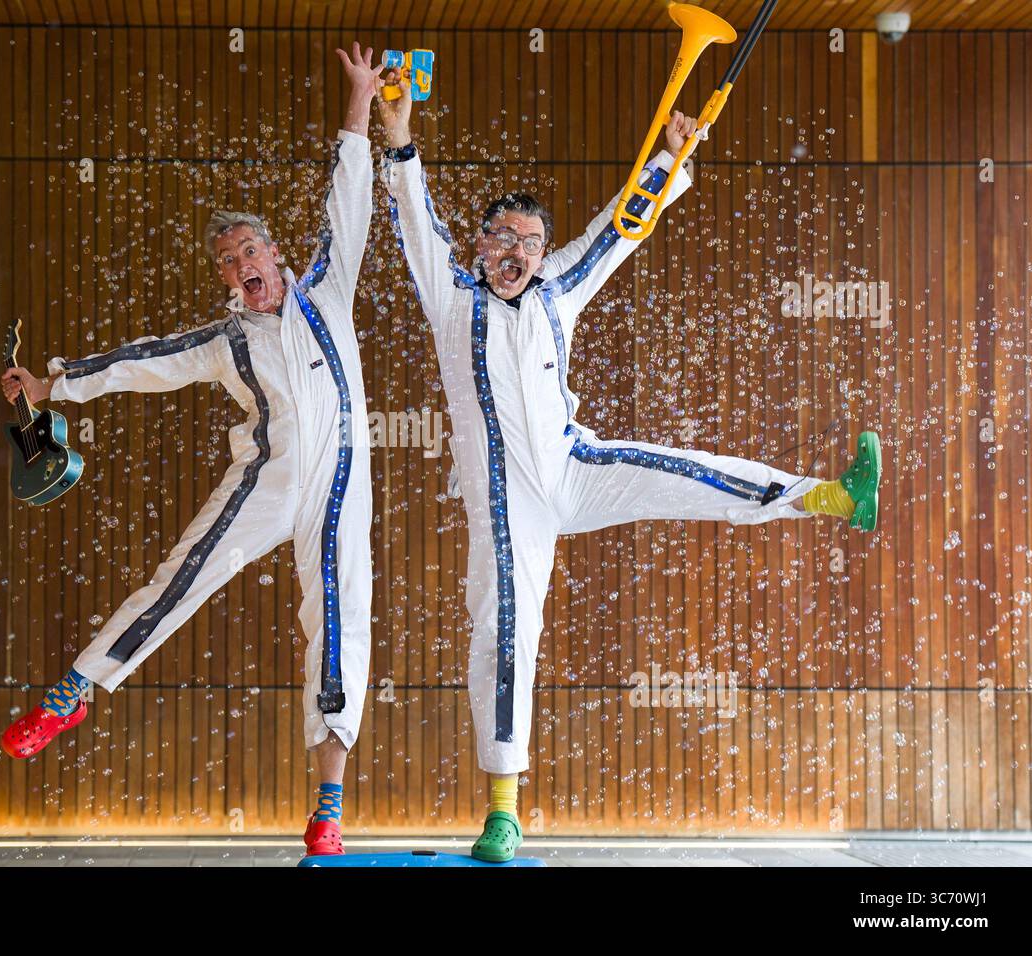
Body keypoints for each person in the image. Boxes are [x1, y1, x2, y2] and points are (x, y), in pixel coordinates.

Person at [376, 68, 881, 863]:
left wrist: (673, 156)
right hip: (508, 507)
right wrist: (398, 131)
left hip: (578, 466)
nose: (517, 252)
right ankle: (504, 810)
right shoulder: (450, 293)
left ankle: (828, 497)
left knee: (691, 469)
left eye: (531, 242)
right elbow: (411, 212)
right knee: (507, 633)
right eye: (502, 238)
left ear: (544, 254)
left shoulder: (559, 287)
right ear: (478, 244)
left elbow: (625, 223)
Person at [0, 42, 385, 857]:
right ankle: (74, 691)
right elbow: (140, 362)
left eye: (250, 249)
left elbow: (351, 190)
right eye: (227, 260)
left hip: (343, 490)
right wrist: (52, 384)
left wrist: (361, 98)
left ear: (276, 255)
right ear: (225, 281)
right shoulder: (226, 340)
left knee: (341, 634)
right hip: (268, 483)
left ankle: (327, 810)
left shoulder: (329, 288)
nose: (241, 263)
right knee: (178, 580)